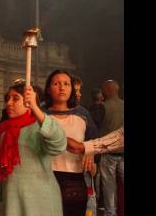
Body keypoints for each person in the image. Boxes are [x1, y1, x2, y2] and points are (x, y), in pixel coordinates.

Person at [0, 83, 66, 215]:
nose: (8, 103)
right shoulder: (5, 134)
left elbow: (58, 143)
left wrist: (36, 108)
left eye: (15, 98)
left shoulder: (40, 127)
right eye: (7, 98)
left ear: (28, 101)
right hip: (12, 202)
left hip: (41, 202)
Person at [43, 70, 98, 216]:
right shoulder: (41, 115)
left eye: (66, 84)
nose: (62, 87)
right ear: (48, 89)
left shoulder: (83, 114)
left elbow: (93, 141)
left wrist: (91, 154)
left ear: (72, 89)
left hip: (75, 179)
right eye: (56, 83)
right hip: (45, 177)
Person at [99, 79, 124, 216]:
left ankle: (110, 214)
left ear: (108, 90)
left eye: (103, 89)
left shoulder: (102, 107)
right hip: (124, 154)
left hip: (107, 154)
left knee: (109, 190)